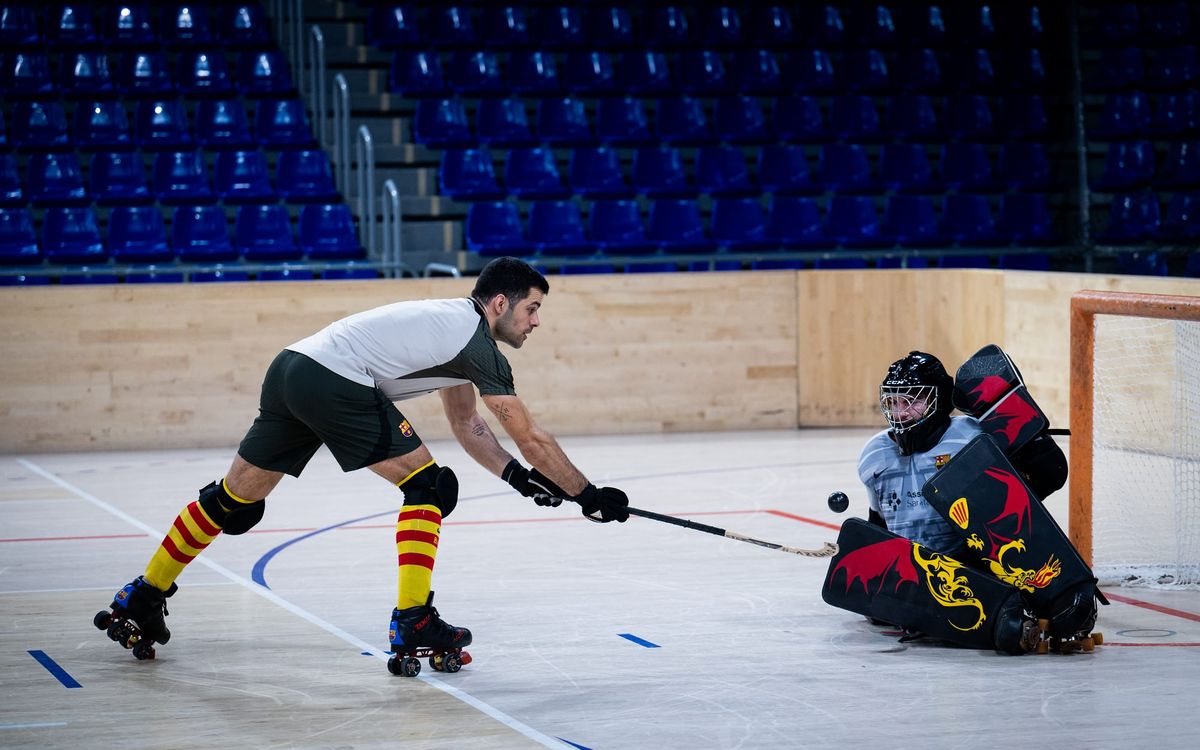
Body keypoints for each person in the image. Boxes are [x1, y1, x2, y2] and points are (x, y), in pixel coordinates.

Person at [95, 256, 630, 661]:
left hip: (292, 368)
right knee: (427, 486)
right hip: (332, 378)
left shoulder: (454, 333)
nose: (536, 322)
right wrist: (588, 494)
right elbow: (529, 433)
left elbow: (469, 426)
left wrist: (519, 479)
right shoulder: (475, 340)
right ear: (499, 304)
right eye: (532, 308)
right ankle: (414, 619)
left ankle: (142, 595)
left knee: (236, 499)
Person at [857, 351, 1067, 559]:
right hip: (911, 577)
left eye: (912, 401)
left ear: (939, 399)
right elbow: (879, 522)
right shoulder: (874, 453)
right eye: (894, 402)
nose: (900, 413)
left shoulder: (971, 437)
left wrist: (1033, 437)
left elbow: (1047, 478)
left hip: (974, 570)